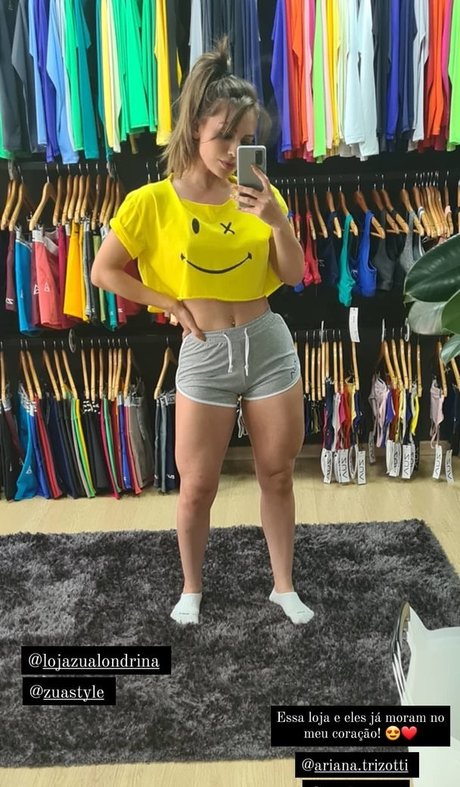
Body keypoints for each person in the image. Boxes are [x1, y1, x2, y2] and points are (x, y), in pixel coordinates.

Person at [91, 39, 315, 626]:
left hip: (267, 344)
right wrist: (167, 302)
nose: (235, 151)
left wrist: (277, 220)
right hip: (204, 351)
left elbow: (292, 274)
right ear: (194, 129)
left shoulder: (260, 195)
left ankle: (284, 587)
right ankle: (191, 588)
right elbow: (103, 270)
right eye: (224, 136)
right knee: (196, 486)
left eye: (246, 139)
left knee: (278, 474)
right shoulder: (151, 202)